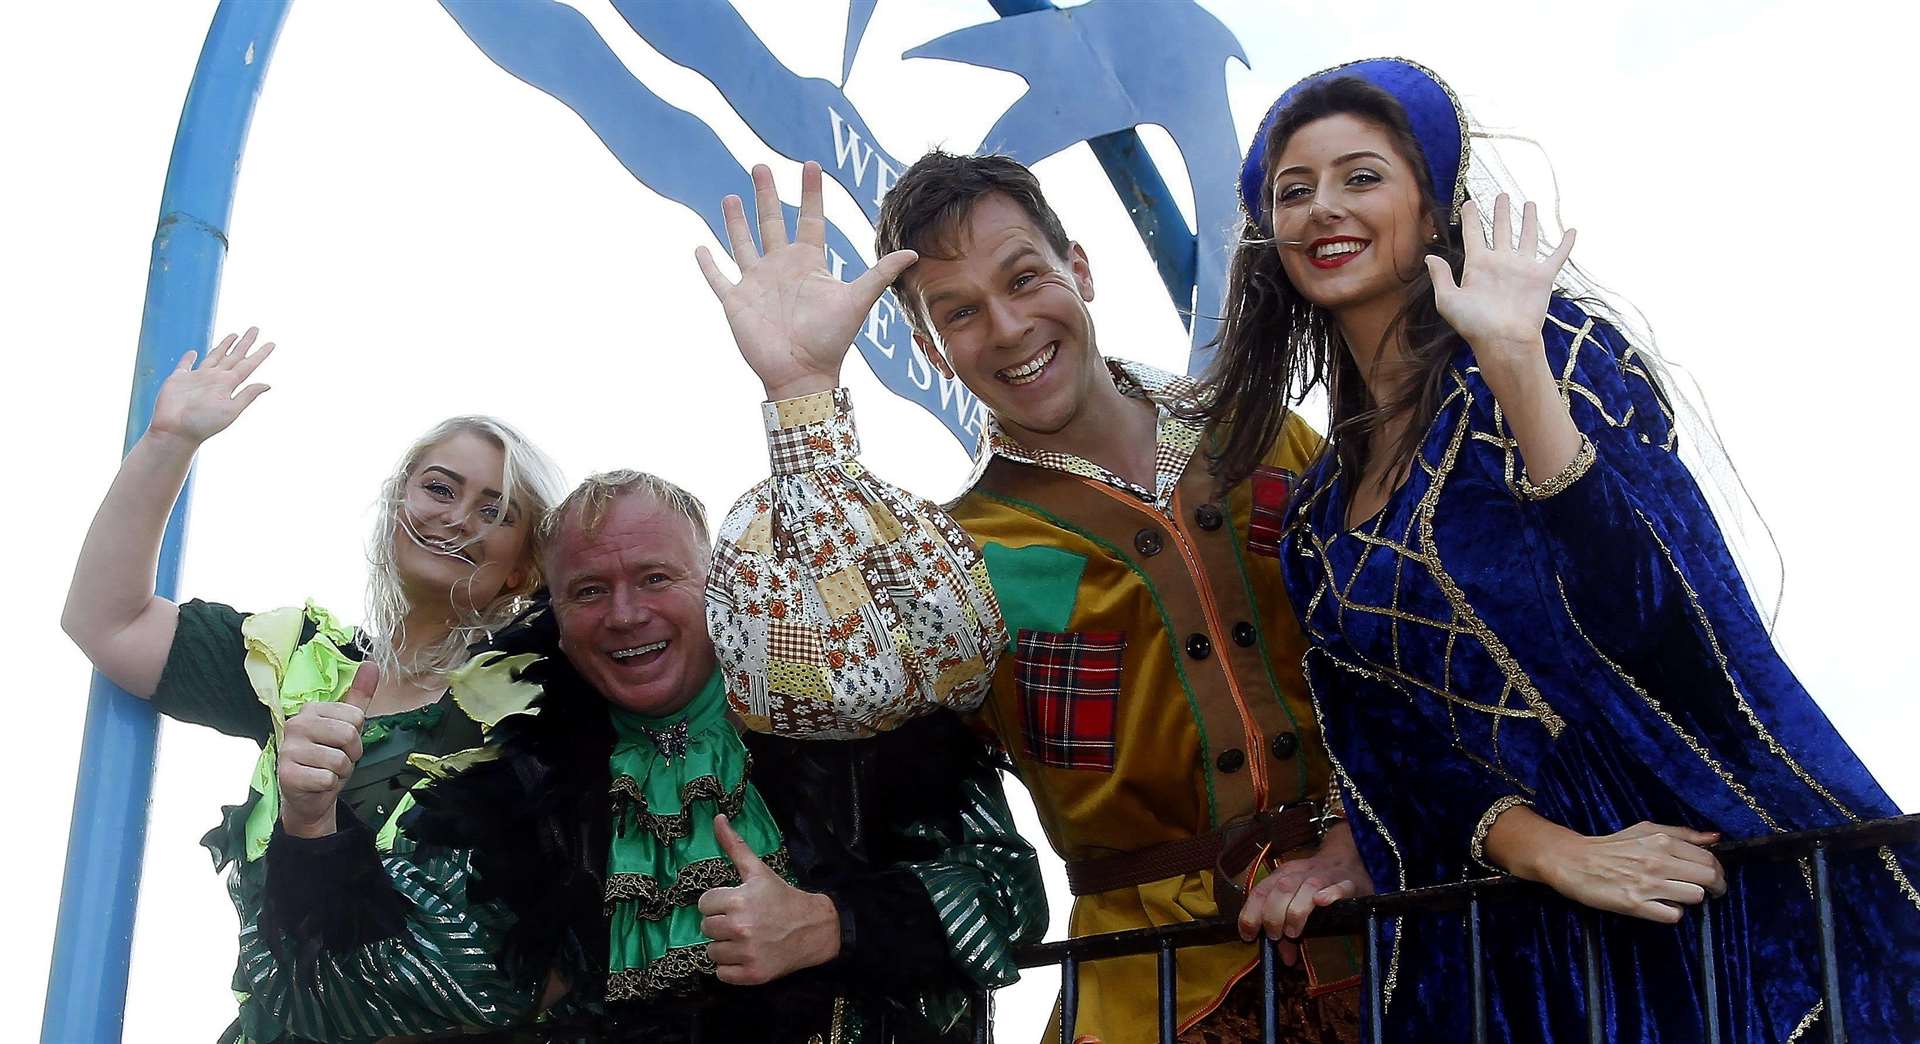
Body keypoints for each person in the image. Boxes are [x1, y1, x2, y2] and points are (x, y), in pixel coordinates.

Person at [1196, 56, 1920, 1041]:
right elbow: (1391, 750)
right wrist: (1551, 852)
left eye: (1361, 176)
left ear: (1436, 205)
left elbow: (1661, 621)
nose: (1325, 206)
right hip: (1513, 949)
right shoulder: (1319, 521)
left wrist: (1518, 369)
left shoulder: (1557, 352)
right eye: (1294, 189)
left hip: (1699, 889)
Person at [696, 159, 1364, 1042]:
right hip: (1153, 998)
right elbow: (817, 681)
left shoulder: (1263, 430)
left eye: (1023, 278)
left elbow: (1408, 646)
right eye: (960, 311)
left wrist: (1358, 831)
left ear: (1079, 269)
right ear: (933, 351)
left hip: (1408, 941)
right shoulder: (957, 554)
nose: (1009, 327)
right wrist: (799, 391)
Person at [243, 470, 1047, 1042]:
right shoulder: (522, 788)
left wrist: (829, 924)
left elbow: (1011, 894)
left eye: (656, 577)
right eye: (589, 591)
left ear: (715, 584)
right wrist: (312, 829)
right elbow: (351, 999)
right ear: (554, 616)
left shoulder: (841, 710)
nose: (625, 614)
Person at [59, 329, 566, 1043]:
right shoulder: (299, 660)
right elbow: (105, 621)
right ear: (397, 503)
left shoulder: (547, 703)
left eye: (497, 511)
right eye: (440, 488)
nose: (457, 518)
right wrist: (170, 440)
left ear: (524, 566)